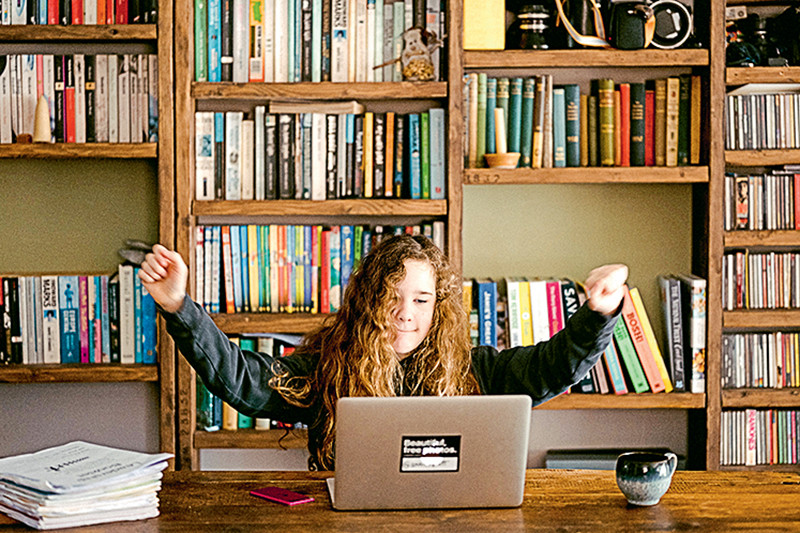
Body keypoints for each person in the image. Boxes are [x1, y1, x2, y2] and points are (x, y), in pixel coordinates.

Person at [140, 234, 628, 471]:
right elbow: (242, 380)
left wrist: (599, 314)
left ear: (438, 307)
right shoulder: (329, 369)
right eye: (391, 297)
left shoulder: (475, 370)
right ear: (367, 300)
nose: (404, 314)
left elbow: (550, 369)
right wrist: (179, 306)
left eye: (421, 300)